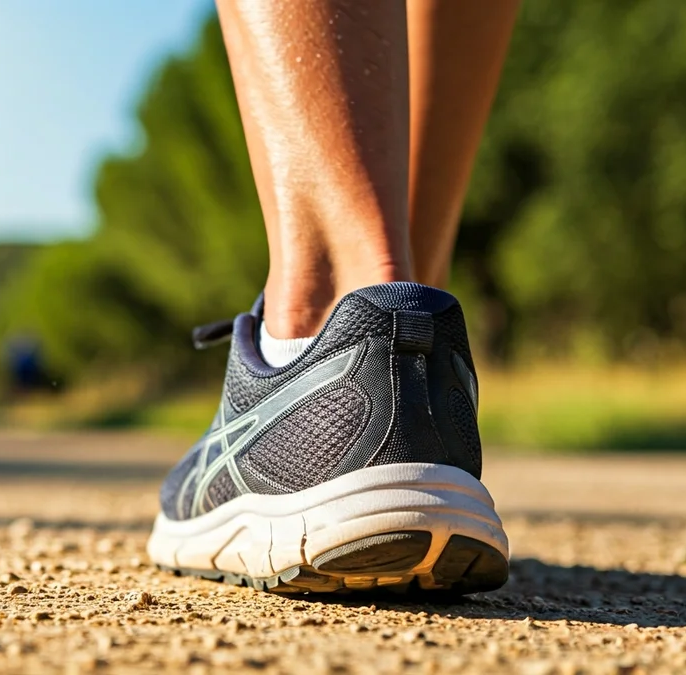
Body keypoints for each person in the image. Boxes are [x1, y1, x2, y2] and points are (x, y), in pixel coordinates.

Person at [147, 0, 521, 593]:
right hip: (439, 424)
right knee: (406, 279)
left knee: (363, 277)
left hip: (333, 405)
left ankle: (321, 310)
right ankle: (407, 338)